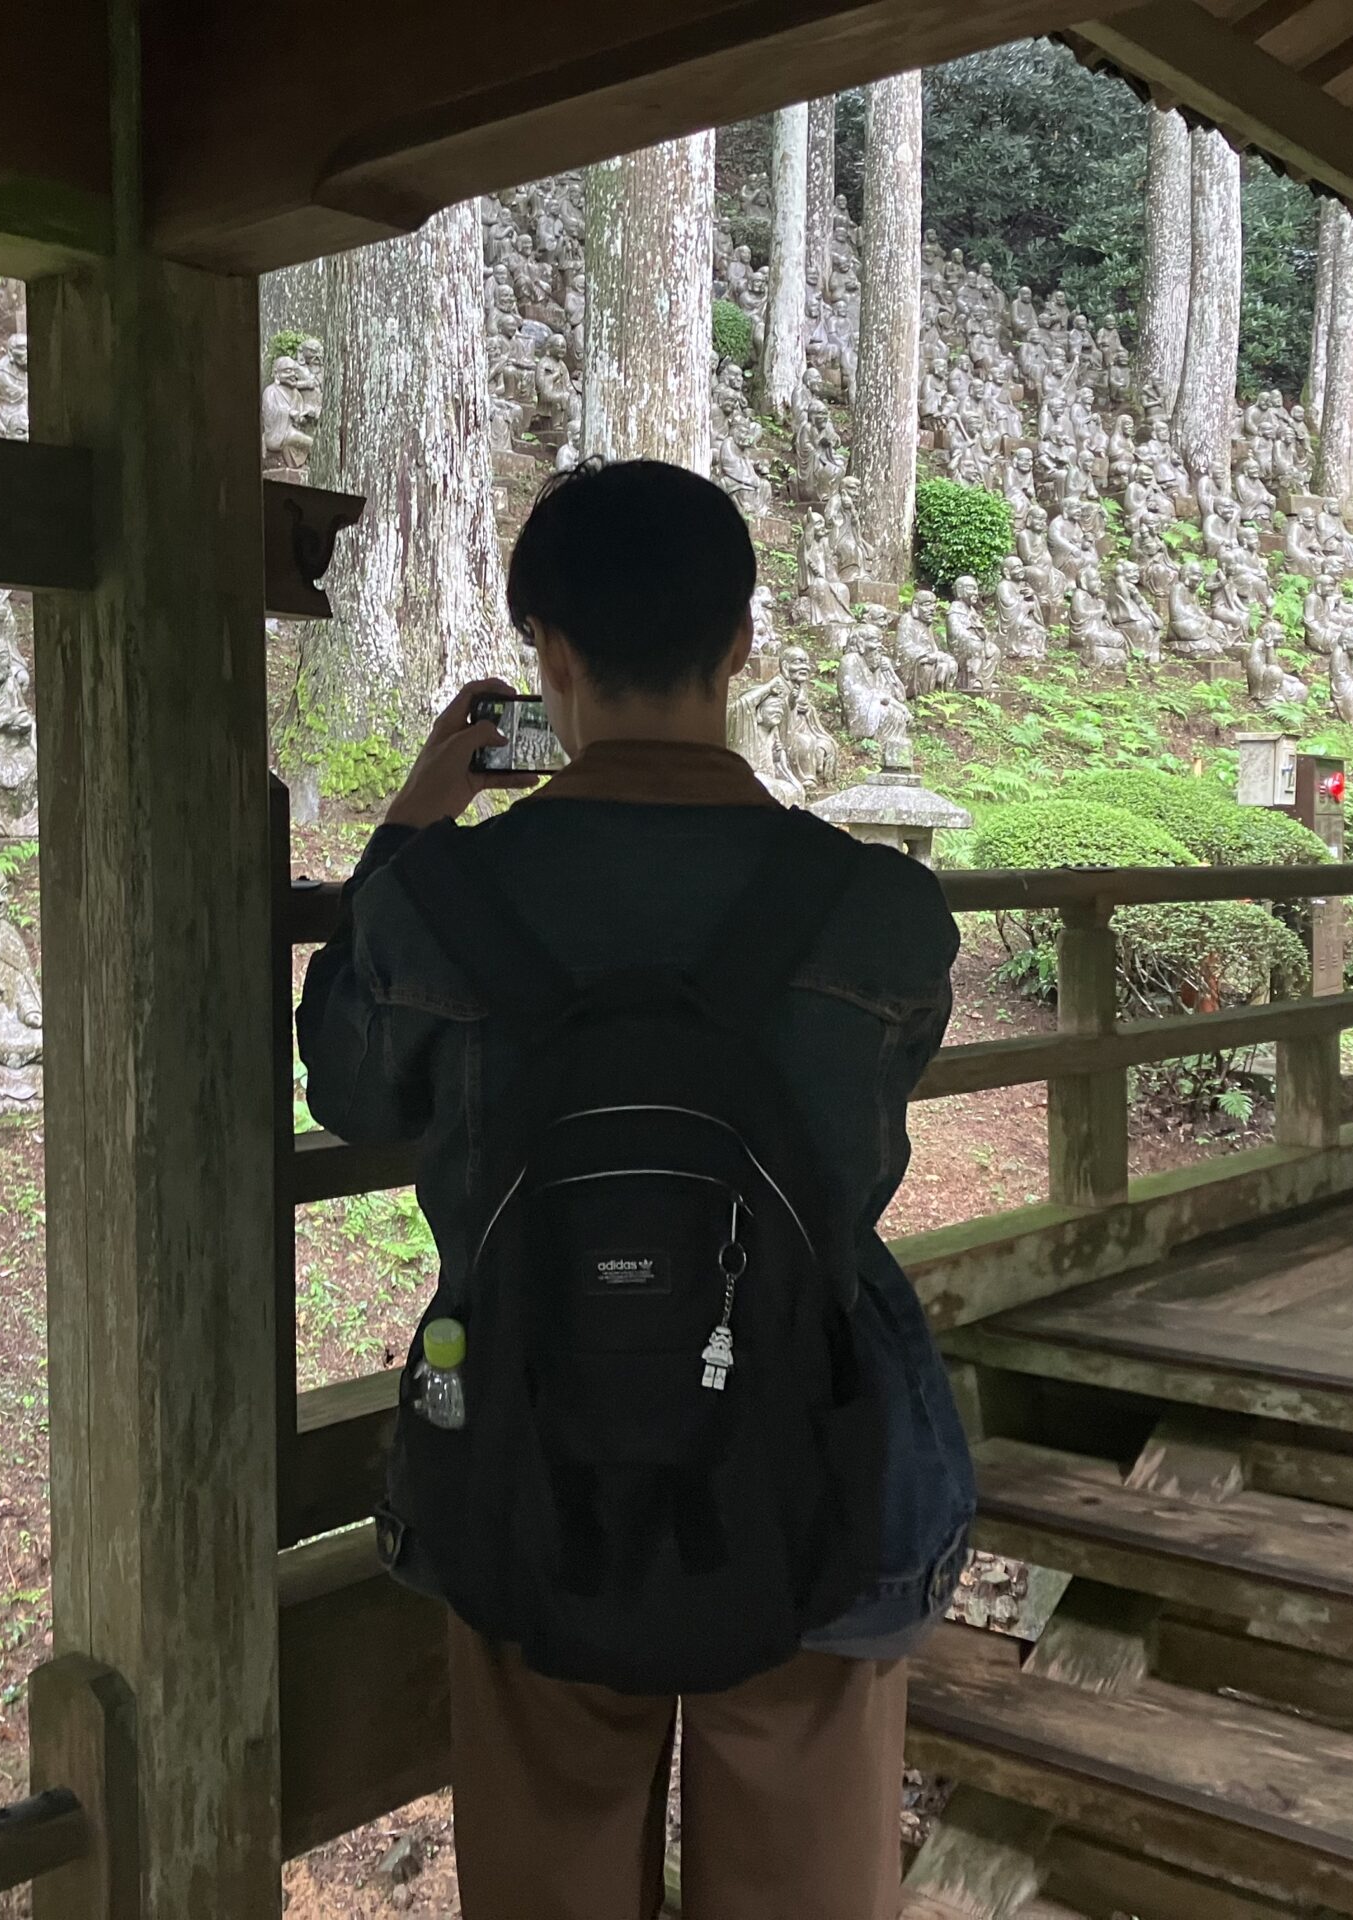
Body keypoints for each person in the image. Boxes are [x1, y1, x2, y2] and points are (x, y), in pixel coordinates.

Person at [297, 460, 969, 1920]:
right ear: (742, 642)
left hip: (524, 1453)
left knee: (549, 1863)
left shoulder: (437, 905)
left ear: (546, 654)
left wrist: (412, 832)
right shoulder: (880, 912)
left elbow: (347, 1086)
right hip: (816, 1451)